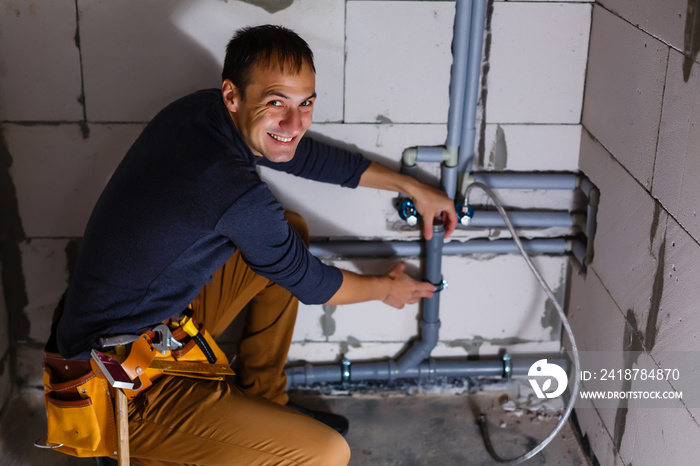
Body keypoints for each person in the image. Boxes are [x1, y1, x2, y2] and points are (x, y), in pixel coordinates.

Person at [45, 25, 457, 465]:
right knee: (327, 454)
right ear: (233, 95)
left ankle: (265, 401)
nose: (295, 122)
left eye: (306, 104)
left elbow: (306, 153)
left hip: (144, 329)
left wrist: (410, 185)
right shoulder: (230, 190)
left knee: (289, 230)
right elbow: (314, 285)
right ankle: (157, 446)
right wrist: (386, 290)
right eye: (276, 102)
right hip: (115, 387)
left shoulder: (201, 113)